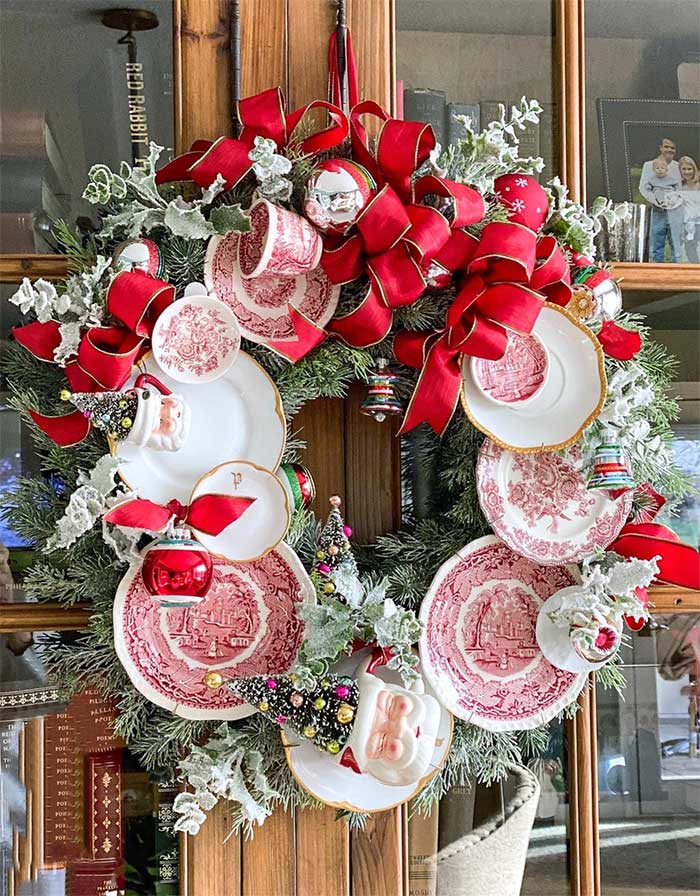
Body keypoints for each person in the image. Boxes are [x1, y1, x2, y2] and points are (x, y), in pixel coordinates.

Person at [638, 138, 683, 262]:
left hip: (675, 210)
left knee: (675, 243)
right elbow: (643, 188)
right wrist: (657, 201)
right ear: (660, 148)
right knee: (657, 242)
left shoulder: (677, 166)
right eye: (666, 146)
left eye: (672, 148)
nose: (669, 150)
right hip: (657, 210)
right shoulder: (649, 165)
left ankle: (677, 270)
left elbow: (680, 187)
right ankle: (658, 267)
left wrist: (673, 202)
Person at [679, 155, 700, 263]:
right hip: (686, 223)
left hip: (698, 221)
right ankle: (696, 268)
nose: (687, 172)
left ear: (694, 169)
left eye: (689, 169)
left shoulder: (698, 185)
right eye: (684, 169)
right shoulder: (679, 186)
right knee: (689, 247)